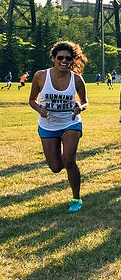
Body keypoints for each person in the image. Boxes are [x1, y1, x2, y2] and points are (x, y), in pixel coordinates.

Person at [29, 42, 89, 212]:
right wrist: (40, 109)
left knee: (69, 160)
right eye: (60, 57)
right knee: (55, 167)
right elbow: (32, 100)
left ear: (72, 60)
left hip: (71, 122)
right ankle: (65, 160)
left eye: (68, 58)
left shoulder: (76, 79)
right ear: (53, 58)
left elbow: (85, 101)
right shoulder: (40, 76)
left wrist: (80, 107)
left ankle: (76, 198)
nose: (64, 61)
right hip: (48, 124)